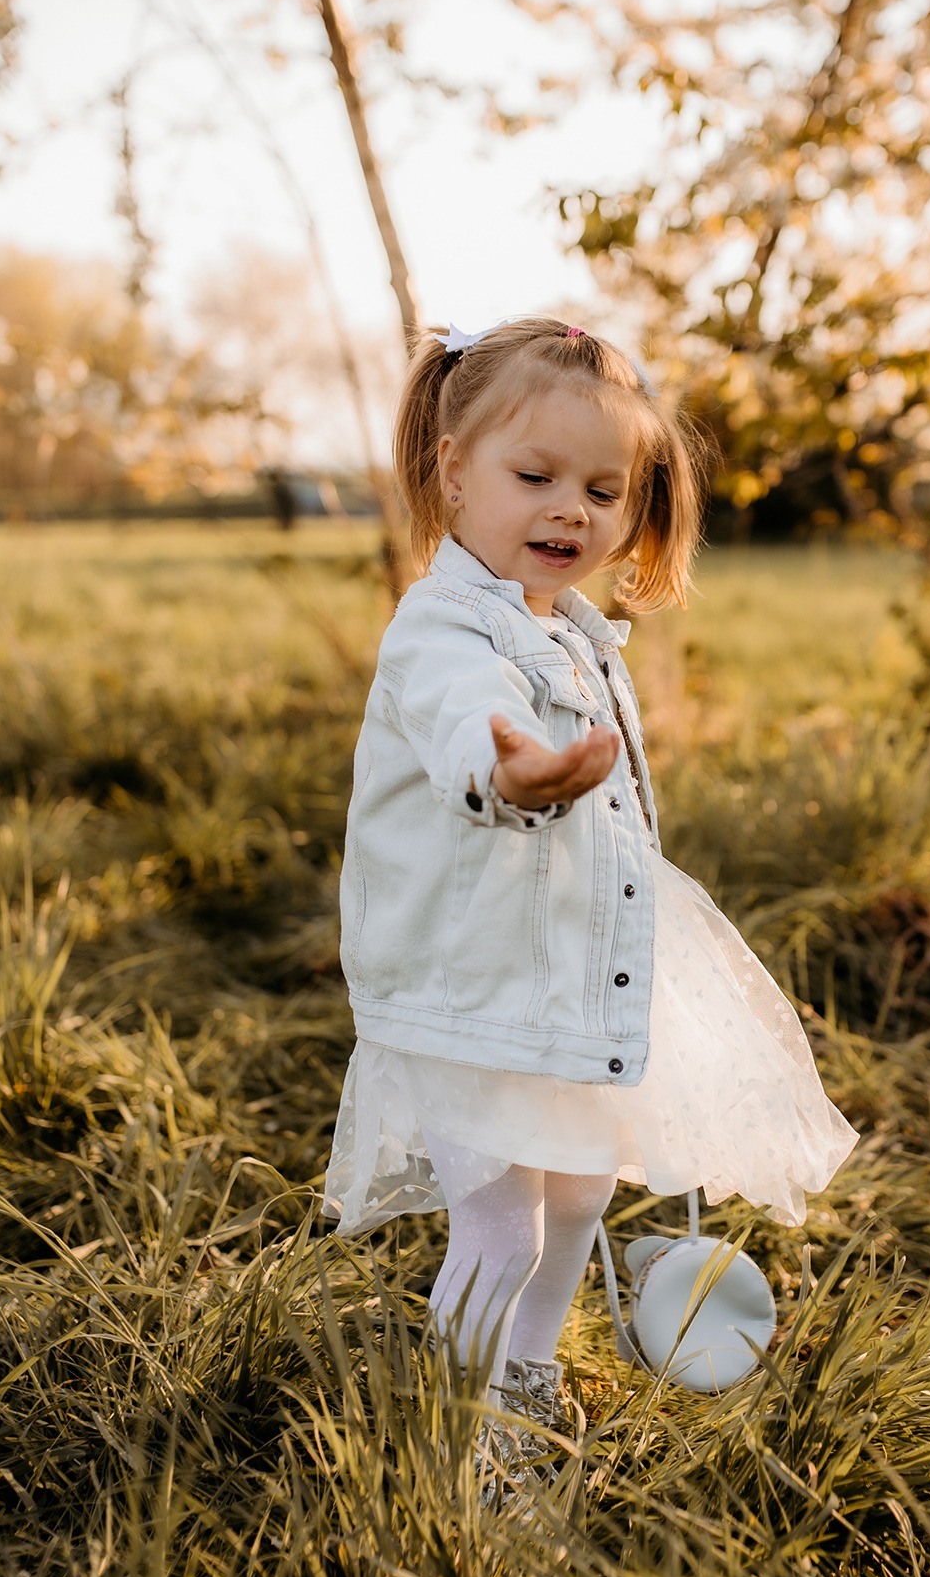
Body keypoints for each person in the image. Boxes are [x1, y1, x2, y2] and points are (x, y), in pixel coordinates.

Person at [323, 315, 857, 1456]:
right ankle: (458, 1427)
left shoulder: (572, 630)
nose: (571, 508)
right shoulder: (441, 629)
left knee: (577, 1196)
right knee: (501, 1227)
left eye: (603, 488)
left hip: (569, 969)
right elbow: (466, 719)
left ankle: (525, 1373)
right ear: (454, 470)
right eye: (536, 476)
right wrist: (511, 767)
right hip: (473, 988)